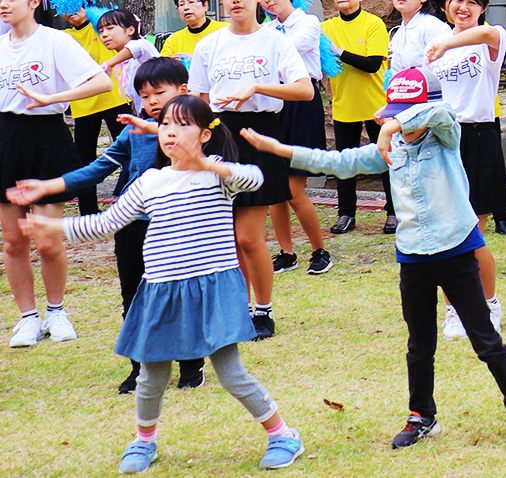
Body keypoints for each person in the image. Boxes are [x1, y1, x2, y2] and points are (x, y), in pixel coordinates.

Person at [242, 69, 506, 449]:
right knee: (419, 344)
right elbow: (337, 162)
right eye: (393, 115)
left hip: (457, 248)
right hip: (413, 255)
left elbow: (438, 113)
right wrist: (276, 149)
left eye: (403, 116)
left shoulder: (446, 135)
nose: (398, 125)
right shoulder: (391, 147)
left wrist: (394, 122)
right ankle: (421, 415)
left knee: (484, 338)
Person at [21, 95, 304, 472]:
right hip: (161, 290)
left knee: (231, 373)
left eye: (183, 125)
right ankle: (143, 441)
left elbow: (254, 178)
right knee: (152, 375)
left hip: (212, 288)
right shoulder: (149, 182)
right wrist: (51, 225)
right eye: (166, 125)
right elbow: (103, 225)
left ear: (205, 135)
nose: (171, 132)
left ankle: (283, 434)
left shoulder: (216, 173)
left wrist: (207, 163)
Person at [8, 57, 208, 389]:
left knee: (179, 293)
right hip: (132, 223)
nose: (152, 102)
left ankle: (191, 364)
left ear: (183, 90)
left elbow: (200, 155)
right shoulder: (133, 131)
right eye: (144, 96)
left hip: (177, 225)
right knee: (133, 294)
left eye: (159, 93)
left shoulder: (199, 130)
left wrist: (160, 129)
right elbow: (97, 169)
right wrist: (50, 185)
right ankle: (140, 365)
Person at [188, 0, 315, 341]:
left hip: (260, 138)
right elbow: (198, 98)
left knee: (248, 237)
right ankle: (238, 310)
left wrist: (258, 87)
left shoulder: (275, 41)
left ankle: (263, 310)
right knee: (226, 237)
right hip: (220, 139)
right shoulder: (209, 45)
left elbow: (305, 90)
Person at [1, 0, 113, 348]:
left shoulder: (55, 41)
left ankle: (57, 311)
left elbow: (101, 83)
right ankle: (27, 318)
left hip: (46, 136)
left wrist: (51, 98)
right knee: (14, 241)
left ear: (35, 2)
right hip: (6, 141)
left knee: (48, 239)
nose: (3, 4)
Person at [423, 0, 506, 339]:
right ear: (446, 3)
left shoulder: (492, 38)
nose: (464, 7)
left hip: (479, 137)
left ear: (484, 8)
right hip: (444, 140)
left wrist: (448, 45)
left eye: (473, 2)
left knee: (471, 233)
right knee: (445, 232)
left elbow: (487, 35)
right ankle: (454, 310)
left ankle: (488, 304)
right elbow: (421, 92)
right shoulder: (437, 42)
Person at [257, 0, 332, 276]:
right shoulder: (267, 28)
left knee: (292, 188)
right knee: (274, 187)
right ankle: (286, 253)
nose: (266, 0)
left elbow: (281, 51)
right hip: (273, 103)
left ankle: (319, 250)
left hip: (301, 102)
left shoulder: (308, 22)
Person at [321, 0, 396, 236]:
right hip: (343, 104)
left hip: (377, 105)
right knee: (345, 163)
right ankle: (346, 214)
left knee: (387, 158)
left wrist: (340, 52)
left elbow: (373, 63)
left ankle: (394, 211)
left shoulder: (373, 24)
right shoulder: (326, 28)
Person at [62, 6, 134, 216]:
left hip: (114, 98)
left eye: (76, 5)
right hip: (83, 103)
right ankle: (88, 213)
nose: (71, 11)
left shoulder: (99, 25)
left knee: (129, 151)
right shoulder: (65, 37)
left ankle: (131, 204)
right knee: (84, 159)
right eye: (66, 8)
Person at [158, 0, 226, 63]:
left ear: (205, 5)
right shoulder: (173, 40)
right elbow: (163, 67)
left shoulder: (224, 31)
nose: (186, 7)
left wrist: (191, 60)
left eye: (191, 2)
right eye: (181, 4)